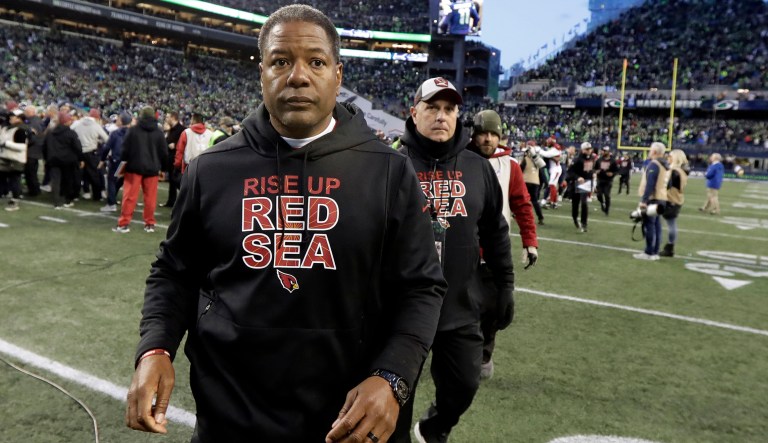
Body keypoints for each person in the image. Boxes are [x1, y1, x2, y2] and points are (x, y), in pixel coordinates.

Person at [125, 5, 447, 443]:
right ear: (262, 73)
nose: (297, 76)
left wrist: (393, 376)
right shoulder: (213, 169)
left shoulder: (388, 171)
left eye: (315, 61)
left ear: (337, 74)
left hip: (348, 419)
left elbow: (422, 287)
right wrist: (155, 346)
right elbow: (175, 271)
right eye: (281, 61)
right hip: (231, 416)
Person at [397, 78, 514, 443]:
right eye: (432, 107)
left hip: (460, 304)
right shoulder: (390, 163)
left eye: (449, 109)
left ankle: (435, 427)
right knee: (394, 398)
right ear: (414, 111)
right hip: (400, 308)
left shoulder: (476, 167)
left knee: (465, 383)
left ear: (459, 115)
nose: (441, 116)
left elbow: (495, 230)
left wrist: (505, 285)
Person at [467, 109, 537, 381]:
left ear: (500, 136)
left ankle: (484, 354)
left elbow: (522, 205)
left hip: (494, 250)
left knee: (494, 308)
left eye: (493, 134)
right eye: (483, 133)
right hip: (462, 248)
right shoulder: (460, 160)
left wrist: (530, 241)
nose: (487, 139)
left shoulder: (510, 166)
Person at [112, 106, 168, 233]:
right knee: (150, 198)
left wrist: (123, 163)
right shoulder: (159, 132)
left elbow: (125, 149)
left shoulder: (133, 130)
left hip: (134, 167)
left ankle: (124, 224)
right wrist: (163, 168)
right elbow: (164, 152)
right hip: (152, 168)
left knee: (129, 196)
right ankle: (149, 224)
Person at [633, 142, 668, 261]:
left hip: (654, 198)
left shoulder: (654, 164)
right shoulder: (665, 164)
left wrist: (644, 200)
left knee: (650, 225)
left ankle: (649, 252)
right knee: (657, 226)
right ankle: (655, 252)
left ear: (654, 152)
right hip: (662, 198)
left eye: (650, 150)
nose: (649, 151)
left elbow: (650, 184)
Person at [43, 111, 83, 209]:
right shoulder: (71, 133)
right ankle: (67, 200)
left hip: (53, 159)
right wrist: (81, 159)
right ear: (67, 122)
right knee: (68, 180)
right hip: (68, 161)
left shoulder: (51, 132)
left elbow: (44, 146)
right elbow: (77, 147)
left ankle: (56, 201)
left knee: (55, 181)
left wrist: (46, 158)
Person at [71, 108, 108, 201]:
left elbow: (70, 132)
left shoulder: (78, 123)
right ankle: (97, 196)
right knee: (94, 175)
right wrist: (98, 140)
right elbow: (106, 138)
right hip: (91, 152)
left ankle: (75, 195)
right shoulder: (96, 125)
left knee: (77, 174)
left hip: (78, 152)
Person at [98, 112, 132, 212]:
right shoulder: (133, 133)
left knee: (111, 181)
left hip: (117, 160)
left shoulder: (115, 133)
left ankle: (111, 203)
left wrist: (102, 160)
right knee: (126, 182)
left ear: (121, 121)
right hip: (129, 162)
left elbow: (106, 147)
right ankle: (128, 204)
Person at [659, 149, 689, 257]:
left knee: (664, 224)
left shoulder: (674, 171)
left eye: (671, 156)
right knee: (671, 224)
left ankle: (665, 247)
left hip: (670, 199)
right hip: (678, 199)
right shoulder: (683, 170)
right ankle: (669, 246)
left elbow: (666, 186)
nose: (668, 157)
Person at [0, 109, 28, 211]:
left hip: (16, 159)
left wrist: (7, 144)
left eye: (13, 116)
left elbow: (23, 147)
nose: (11, 118)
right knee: (2, 177)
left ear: (19, 118)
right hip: (5, 157)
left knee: (14, 180)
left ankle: (15, 200)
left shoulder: (20, 130)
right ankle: (4, 193)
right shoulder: (7, 128)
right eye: (10, 116)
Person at [567, 142, 596, 232]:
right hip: (576, 182)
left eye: (590, 149)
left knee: (584, 203)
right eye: (587, 149)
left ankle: (584, 223)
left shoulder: (591, 158)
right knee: (575, 204)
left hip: (586, 182)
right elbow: (570, 172)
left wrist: (592, 180)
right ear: (583, 150)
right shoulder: (577, 160)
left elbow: (590, 170)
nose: (589, 151)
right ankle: (575, 218)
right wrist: (578, 177)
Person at [161, 111, 185, 208]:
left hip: (178, 160)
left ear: (173, 117)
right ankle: (171, 202)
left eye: (168, 117)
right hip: (170, 159)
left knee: (177, 181)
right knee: (172, 181)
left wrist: (175, 145)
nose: (166, 119)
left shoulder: (182, 130)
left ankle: (185, 200)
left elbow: (182, 144)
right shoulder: (170, 130)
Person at [521, 140, 545, 225]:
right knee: (535, 201)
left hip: (526, 180)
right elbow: (542, 168)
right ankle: (540, 217)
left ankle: (520, 215)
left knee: (522, 199)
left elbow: (520, 169)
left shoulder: (525, 158)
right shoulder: (538, 158)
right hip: (535, 181)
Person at [23, 105, 44, 197]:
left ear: (30, 112)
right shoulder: (36, 120)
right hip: (35, 150)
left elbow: (33, 137)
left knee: (30, 172)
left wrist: (26, 143)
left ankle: (34, 190)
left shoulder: (34, 122)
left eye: (26, 112)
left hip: (32, 150)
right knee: (32, 172)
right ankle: (34, 189)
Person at [595, 146, 618, 215]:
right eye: (603, 150)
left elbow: (616, 170)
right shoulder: (599, 160)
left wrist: (612, 174)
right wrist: (596, 171)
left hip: (608, 180)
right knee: (599, 195)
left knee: (607, 195)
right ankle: (602, 203)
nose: (603, 152)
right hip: (600, 179)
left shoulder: (613, 161)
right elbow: (594, 168)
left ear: (608, 152)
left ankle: (607, 209)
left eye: (605, 151)